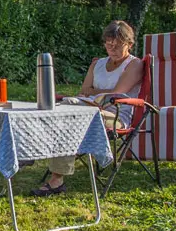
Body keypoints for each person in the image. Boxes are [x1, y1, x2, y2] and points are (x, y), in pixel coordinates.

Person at [30, 20, 143, 197]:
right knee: (64, 114)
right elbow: (84, 90)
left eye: (117, 45)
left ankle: (37, 159)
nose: (112, 48)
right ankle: (52, 175)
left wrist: (94, 92)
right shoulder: (97, 64)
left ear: (129, 44)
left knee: (68, 112)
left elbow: (115, 93)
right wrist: (93, 95)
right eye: (108, 44)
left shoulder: (134, 65)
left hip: (115, 115)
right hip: (87, 110)